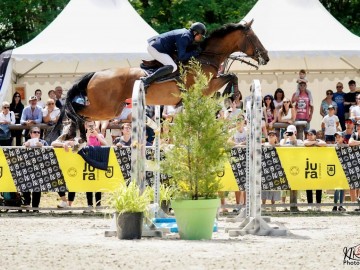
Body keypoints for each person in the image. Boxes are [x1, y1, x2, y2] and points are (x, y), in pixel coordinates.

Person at [142, 22, 206, 87]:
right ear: (195, 33)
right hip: (155, 48)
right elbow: (181, 57)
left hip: (159, 46)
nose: (200, 38)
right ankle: (147, 80)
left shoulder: (187, 35)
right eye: (200, 36)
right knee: (173, 66)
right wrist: (195, 52)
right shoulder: (185, 37)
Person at [22, 126, 48, 212]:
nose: (37, 134)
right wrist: (25, 147)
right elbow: (20, 154)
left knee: (37, 188)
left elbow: (50, 153)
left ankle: (35, 207)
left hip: (39, 167)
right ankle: (27, 204)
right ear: (30, 134)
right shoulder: (26, 142)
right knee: (26, 186)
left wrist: (43, 147)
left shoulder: (44, 142)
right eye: (34, 132)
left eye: (38, 132)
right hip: (28, 167)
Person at [84, 121, 107, 212]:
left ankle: (98, 205)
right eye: (89, 125)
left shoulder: (99, 135)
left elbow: (105, 144)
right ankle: (89, 204)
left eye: (92, 125)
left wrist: (97, 135)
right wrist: (87, 136)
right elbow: (86, 146)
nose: (91, 127)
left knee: (98, 183)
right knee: (88, 184)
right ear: (85, 126)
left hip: (98, 161)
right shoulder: (83, 136)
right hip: (88, 161)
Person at [279, 125, 303, 211]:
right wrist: (285, 139)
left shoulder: (299, 141)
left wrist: (294, 139)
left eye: (291, 132)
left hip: (296, 166)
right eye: (288, 132)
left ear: (295, 132)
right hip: (285, 165)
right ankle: (283, 204)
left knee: (295, 185)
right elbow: (280, 147)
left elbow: (301, 147)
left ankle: (294, 204)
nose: (290, 134)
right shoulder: (283, 140)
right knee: (284, 185)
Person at [303, 128, 326, 211]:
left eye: (311, 134)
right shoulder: (307, 141)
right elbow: (305, 143)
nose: (309, 136)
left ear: (315, 135)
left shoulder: (319, 140)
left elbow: (324, 144)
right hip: (308, 166)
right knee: (308, 186)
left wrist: (316, 142)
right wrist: (315, 142)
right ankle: (310, 205)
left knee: (318, 186)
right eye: (308, 134)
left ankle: (318, 205)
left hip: (318, 166)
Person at [51, 138, 77, 208]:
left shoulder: (78, 138)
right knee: (57, 181)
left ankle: (69, 204)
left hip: (74, 165)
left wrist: (74, 144)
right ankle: (64, 201)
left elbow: (82, 144)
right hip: (62, 165)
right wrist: (63, 144)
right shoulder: (62, 137)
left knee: (72, 184)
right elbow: (53, 143)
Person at [262, 130, 280, 211]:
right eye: (270, 135)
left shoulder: (279, 146)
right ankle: (263, 205)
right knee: (264, 187)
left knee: (275, 187)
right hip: (265, 168)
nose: (271, 136)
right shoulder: (263, 145)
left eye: (273, 135)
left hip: (276, 168)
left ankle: (273, 205)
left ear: (276, 137)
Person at [347, 121, 360, 211]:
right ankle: (353, 203)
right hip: (353, 161)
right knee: (352, 184)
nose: (358, 127)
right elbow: (350, 142)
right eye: (358, 126)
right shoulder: (354, 134)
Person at [332, 131, 346, 212]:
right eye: (336, 137)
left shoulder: (346, 146)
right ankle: (335, 205)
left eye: (339, 137)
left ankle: (340, 205)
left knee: (342, 188)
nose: (337, 138)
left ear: (343, 138)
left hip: (344, 169)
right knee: (337, 188)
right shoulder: (333, 146)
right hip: (336, 169)